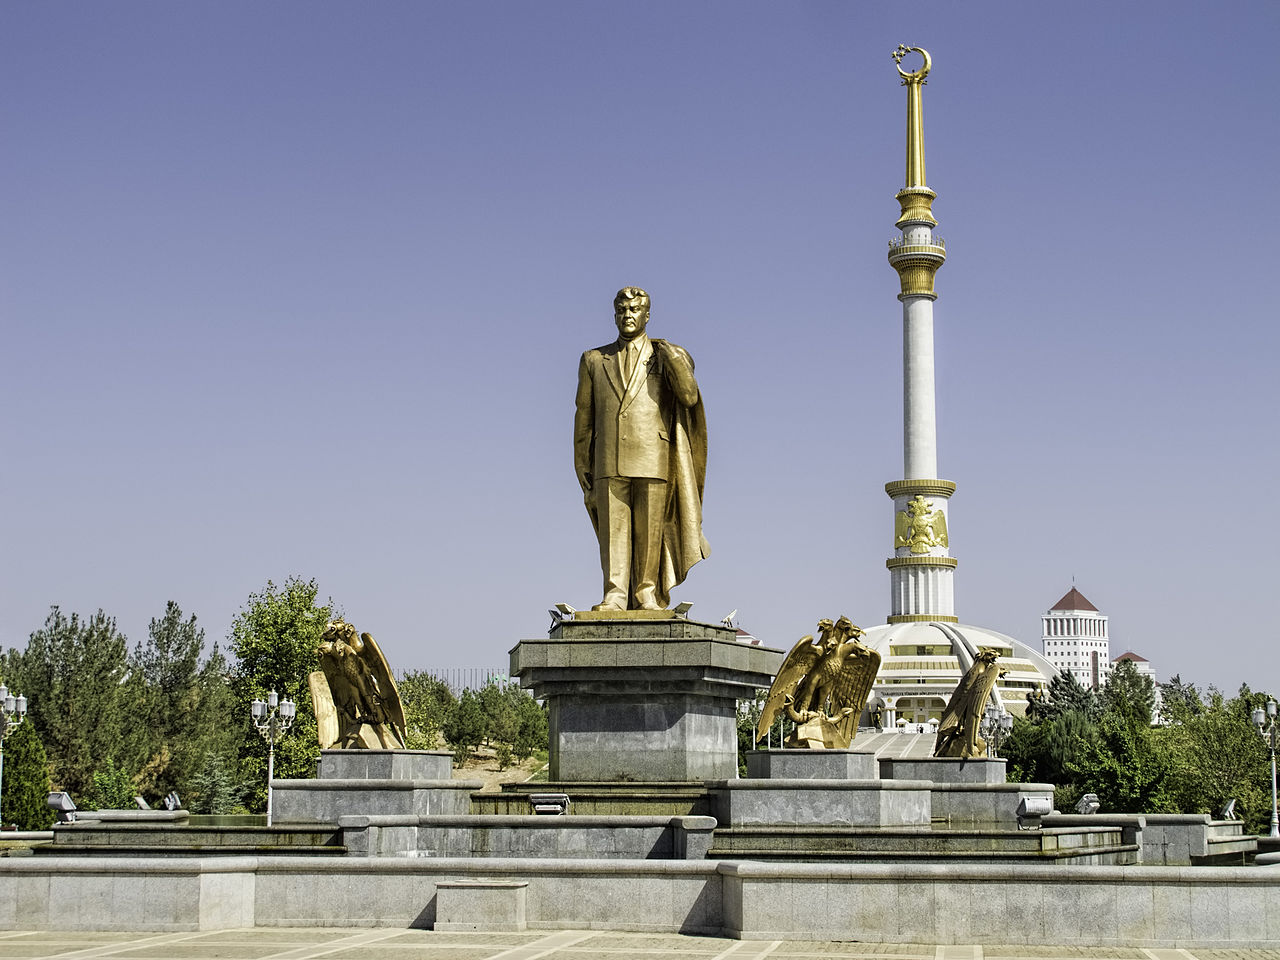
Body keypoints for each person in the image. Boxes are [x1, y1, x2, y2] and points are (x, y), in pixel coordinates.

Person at [574, 287, 709, 610]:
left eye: (635, 310)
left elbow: (689, 398)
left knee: (650, 532)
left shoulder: (667, 355)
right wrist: (583, 467)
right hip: (607, 458)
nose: (628, 316)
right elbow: (584, 416)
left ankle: (646, 592)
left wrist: (675, 360)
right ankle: (615, 593)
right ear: (614, 315)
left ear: (647, 315)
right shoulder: (594, 359)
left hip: (654, 456)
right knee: (613, 533)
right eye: (622, 310)